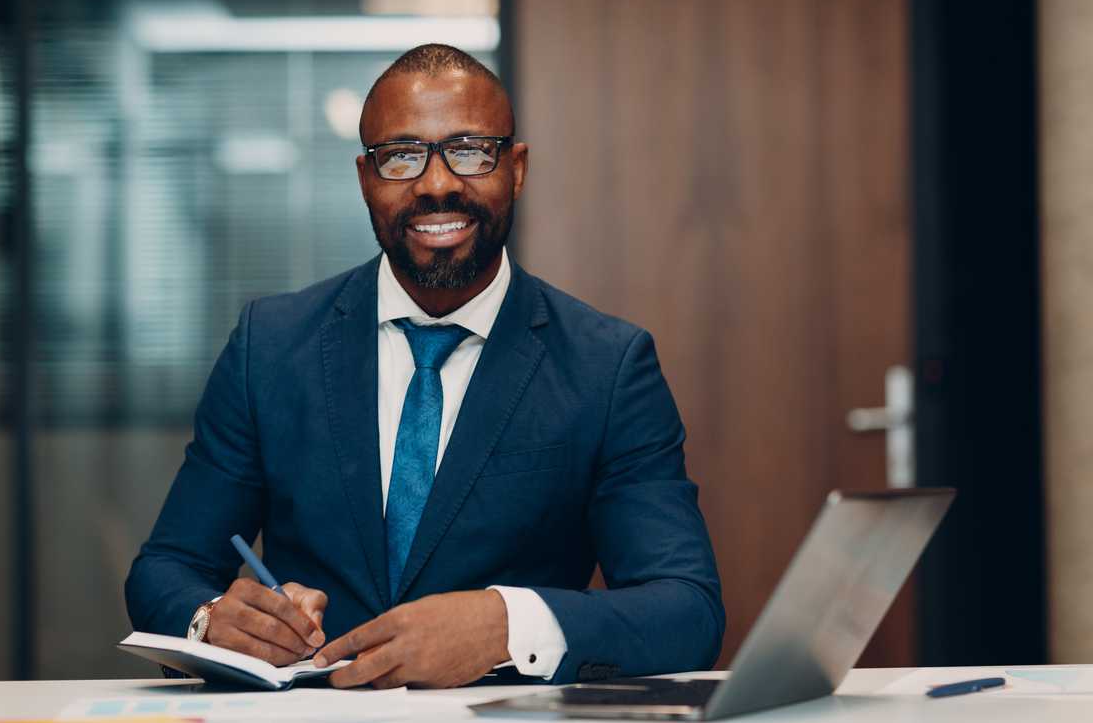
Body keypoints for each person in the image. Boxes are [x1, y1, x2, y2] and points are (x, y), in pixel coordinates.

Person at [125, 43, 723, 689]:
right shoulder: (269, 346)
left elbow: (686, 610)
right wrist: (210, 619)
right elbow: (167, 568)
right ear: (365, 178)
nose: (437, 184)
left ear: (516, 168)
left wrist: (505, 624)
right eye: (402, 156)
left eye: (470, 150)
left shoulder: (606, 366)